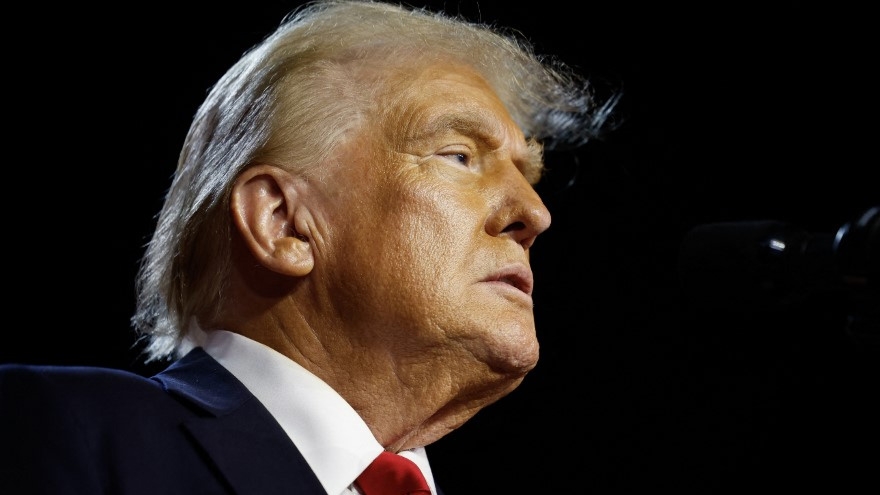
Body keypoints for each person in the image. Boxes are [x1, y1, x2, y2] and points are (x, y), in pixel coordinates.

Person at [0, 1, 617, 493]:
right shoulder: (57, 428)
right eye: (459, 156)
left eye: (528, 177)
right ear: (283, 222)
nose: (534, 215)